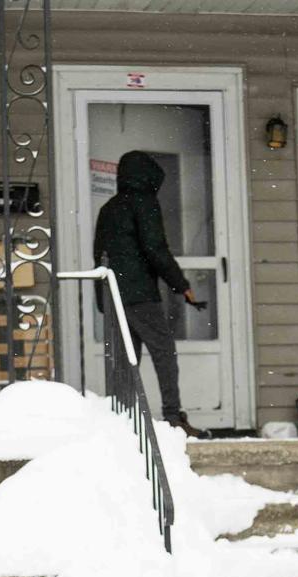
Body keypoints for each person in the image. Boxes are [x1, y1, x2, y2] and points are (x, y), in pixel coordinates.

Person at [92, 150, 206, 438]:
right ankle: (173, 417)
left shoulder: (109, 208)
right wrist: (181, 285)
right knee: (164, 352)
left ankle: (123, 422)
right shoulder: (144, 203)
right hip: (140, 294)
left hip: (113, 295)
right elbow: (156, 249)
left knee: (126, 362)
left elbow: (99, 254)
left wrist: (104, 298)